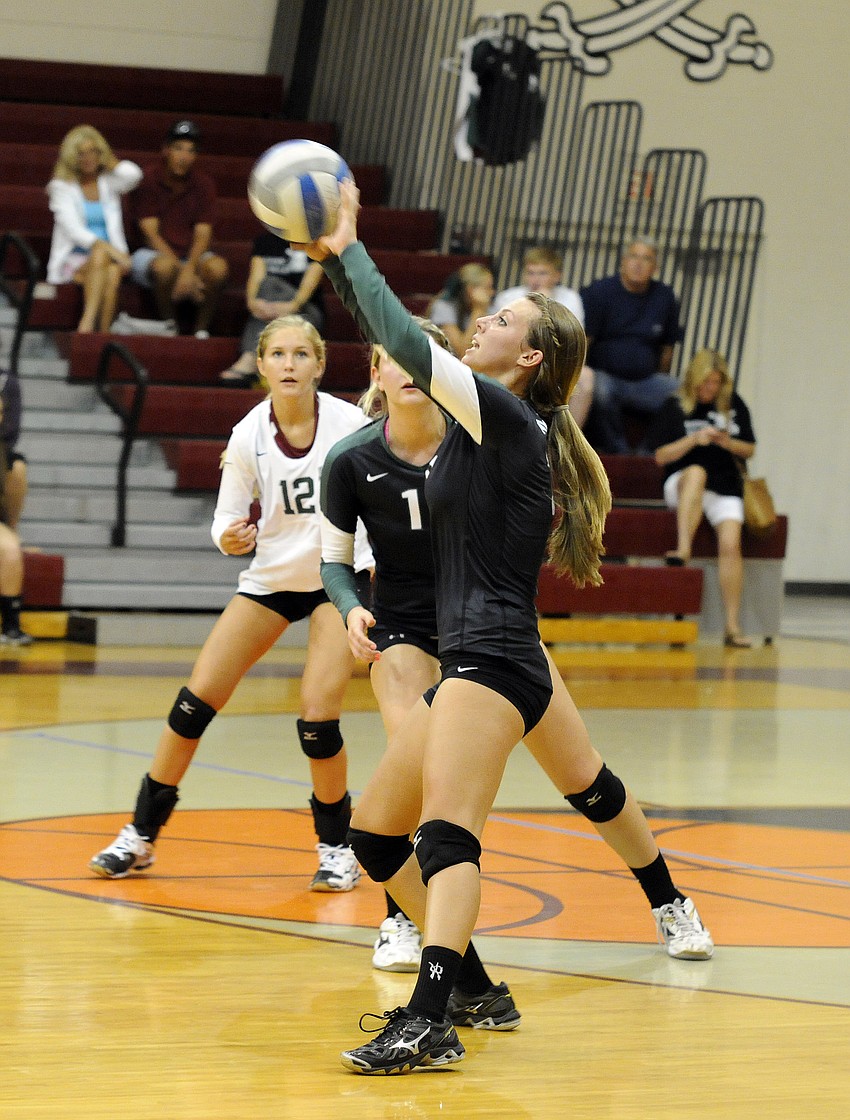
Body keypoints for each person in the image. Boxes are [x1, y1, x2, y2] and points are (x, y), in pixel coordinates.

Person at [303, 181, 713, 1076]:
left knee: (448, 836)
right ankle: (479, 990)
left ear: (527, 357)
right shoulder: (469, 426)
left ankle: (431, 1017)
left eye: (500, 320)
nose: (481, 323)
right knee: (377, 837)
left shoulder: (506, 419)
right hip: (475, 662)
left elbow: (409, 343)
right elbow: (398, 360)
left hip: (495, 660)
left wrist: (349, 247)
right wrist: (338, 271)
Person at [89, 315, 373, 891]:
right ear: (262, 365)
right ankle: (140, 835)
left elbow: (379, 500)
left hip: (336, 580)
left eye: (301, 354)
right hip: (270, 579)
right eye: (278, 355)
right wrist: (230, 539)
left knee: (318, 716)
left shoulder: (351, 425)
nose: (289, 365)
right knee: (193, 704)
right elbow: (225, 520)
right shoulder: (247, 435)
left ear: (320, 364)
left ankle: (336, 847)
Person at [648, 348, 757, 648]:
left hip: (725, 484)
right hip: (683, 482)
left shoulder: (733, 405)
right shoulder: (675, 406)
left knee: (731, 544)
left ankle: (732, 626)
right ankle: (683, 548)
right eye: (705, 382)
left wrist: (727, 441)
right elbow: (660, 455)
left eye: (715, 383)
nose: (710, 389)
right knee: (696, 471)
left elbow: (750, 447)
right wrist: (694, 439)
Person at [581, 237, 682, 454]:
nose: (638, 263)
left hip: (646, 381)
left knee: (681, 395)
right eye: (633, 256)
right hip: (606, 376)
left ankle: (648, 451)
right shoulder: (600, 292)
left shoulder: (664, 296)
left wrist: (660, 375)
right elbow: (585, 340)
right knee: (599, 390)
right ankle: (619, 450)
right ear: (623, 262)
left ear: (655, 267)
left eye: (646, 259)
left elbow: (668, 347)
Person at [128, 120, 229, 337]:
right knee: (164, 268)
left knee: (218, 268)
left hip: (188, 255)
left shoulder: (203, 184)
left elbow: (203, 234)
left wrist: (189, 269)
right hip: (152, 254)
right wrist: (184, 272)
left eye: (190, 151)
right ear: (166, 150)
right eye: (178, 148)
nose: (184, 156)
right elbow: (150, 234)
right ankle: (170, 325)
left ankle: (201, 330)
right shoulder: (149, 180)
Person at [45, 125, 142, 333]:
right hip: (73, 258)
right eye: (82, 153)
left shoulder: (108, 182)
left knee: (112, 271)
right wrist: (114, 251)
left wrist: (109, 160)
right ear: (72, 157)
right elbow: (74, 231)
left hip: (108, 260)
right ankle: (89, 327)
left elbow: (134, 175)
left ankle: (96, 335)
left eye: (94, 152)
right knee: (101, 256)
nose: (88, 158)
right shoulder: (61, 186)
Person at [493, 246, 593, 427]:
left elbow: (572, 342)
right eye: (530, 273)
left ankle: (567, 436)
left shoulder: (571, 299)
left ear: (557, 275)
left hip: (556, 361)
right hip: (514, 359)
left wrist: (547, 306)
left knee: (585, 377)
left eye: (542, 273)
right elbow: (497, 340)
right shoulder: (507, 298)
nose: (535, 279)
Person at [220, 234, 325, 386]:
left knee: (270, 284)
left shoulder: (315, 241)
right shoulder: (266, 241)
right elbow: (256, 277)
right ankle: (254, 356)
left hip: (304, 310)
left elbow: (312, 279)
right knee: (268, 286)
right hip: (267, 307)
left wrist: (291, 306)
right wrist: (253, 303)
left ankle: (250, 356)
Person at [427, 262, 494, 357]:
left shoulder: (488, 308)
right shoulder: (443, 307)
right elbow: (462, 353)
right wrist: (478, 311)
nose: (492, 293)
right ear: (471, 290)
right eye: (488, 288)